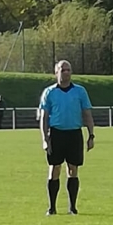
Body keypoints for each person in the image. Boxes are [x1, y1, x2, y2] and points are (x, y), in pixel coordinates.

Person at [39, 60, 95, 215]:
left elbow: (87, 114)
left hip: (74, 134)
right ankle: (52, 207)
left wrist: (91, 135)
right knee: (54, 169)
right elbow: (44, 117)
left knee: (73, 169)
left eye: (68, 70)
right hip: (56, 134)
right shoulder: (49, 92)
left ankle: (72, 207)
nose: (66, 73)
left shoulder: (80, 91)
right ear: (56, 72)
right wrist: (45, 139)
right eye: (63, 70)